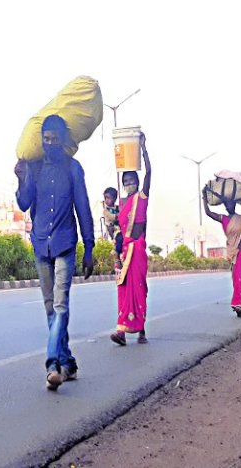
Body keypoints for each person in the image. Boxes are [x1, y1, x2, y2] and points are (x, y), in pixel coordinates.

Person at [15, 115, 94, 391]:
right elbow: (24, 203)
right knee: (51, 308)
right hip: (40, 244)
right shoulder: (34, 169)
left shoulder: (73, 169)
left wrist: (89, 247)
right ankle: (67, 360)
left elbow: (83, 207)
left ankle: (52, 364)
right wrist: (21, 179)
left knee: (60, 306)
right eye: (45, 139)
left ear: (62, 141)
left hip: (65, 244)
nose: (49, 144)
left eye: (54, 140)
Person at [110, 133, 151, 346]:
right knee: (123, 289)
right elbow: (117, 231)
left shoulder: (141, 197)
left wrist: (143, 149)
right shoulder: (123, 203)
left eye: (131, 180)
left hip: (138, 251)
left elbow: (149, 173)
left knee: (139, 289)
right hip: (125, 252)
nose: (128, 184)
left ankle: (141, 328)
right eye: (125, 181)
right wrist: (116, 254)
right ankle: (122, 331)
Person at [203, 192, 241, 317]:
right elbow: (208, 213)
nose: (228, 206)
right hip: (232, 252)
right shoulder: (224, 219)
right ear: (225, 206)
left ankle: (239, 303)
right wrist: (204, 198)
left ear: (235, 205)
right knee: (236, 279)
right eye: (226, 205)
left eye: (230, 204)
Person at [103, 187, 123, 270]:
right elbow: (113, 218)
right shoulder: (106, 211)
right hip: (114, 230)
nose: (106, 200)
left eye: (108, 198)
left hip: (121, 228)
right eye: (105, 198)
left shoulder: (118, 207)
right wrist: (120, 215)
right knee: (119, 237)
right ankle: (116, 253)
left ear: (114, 198)